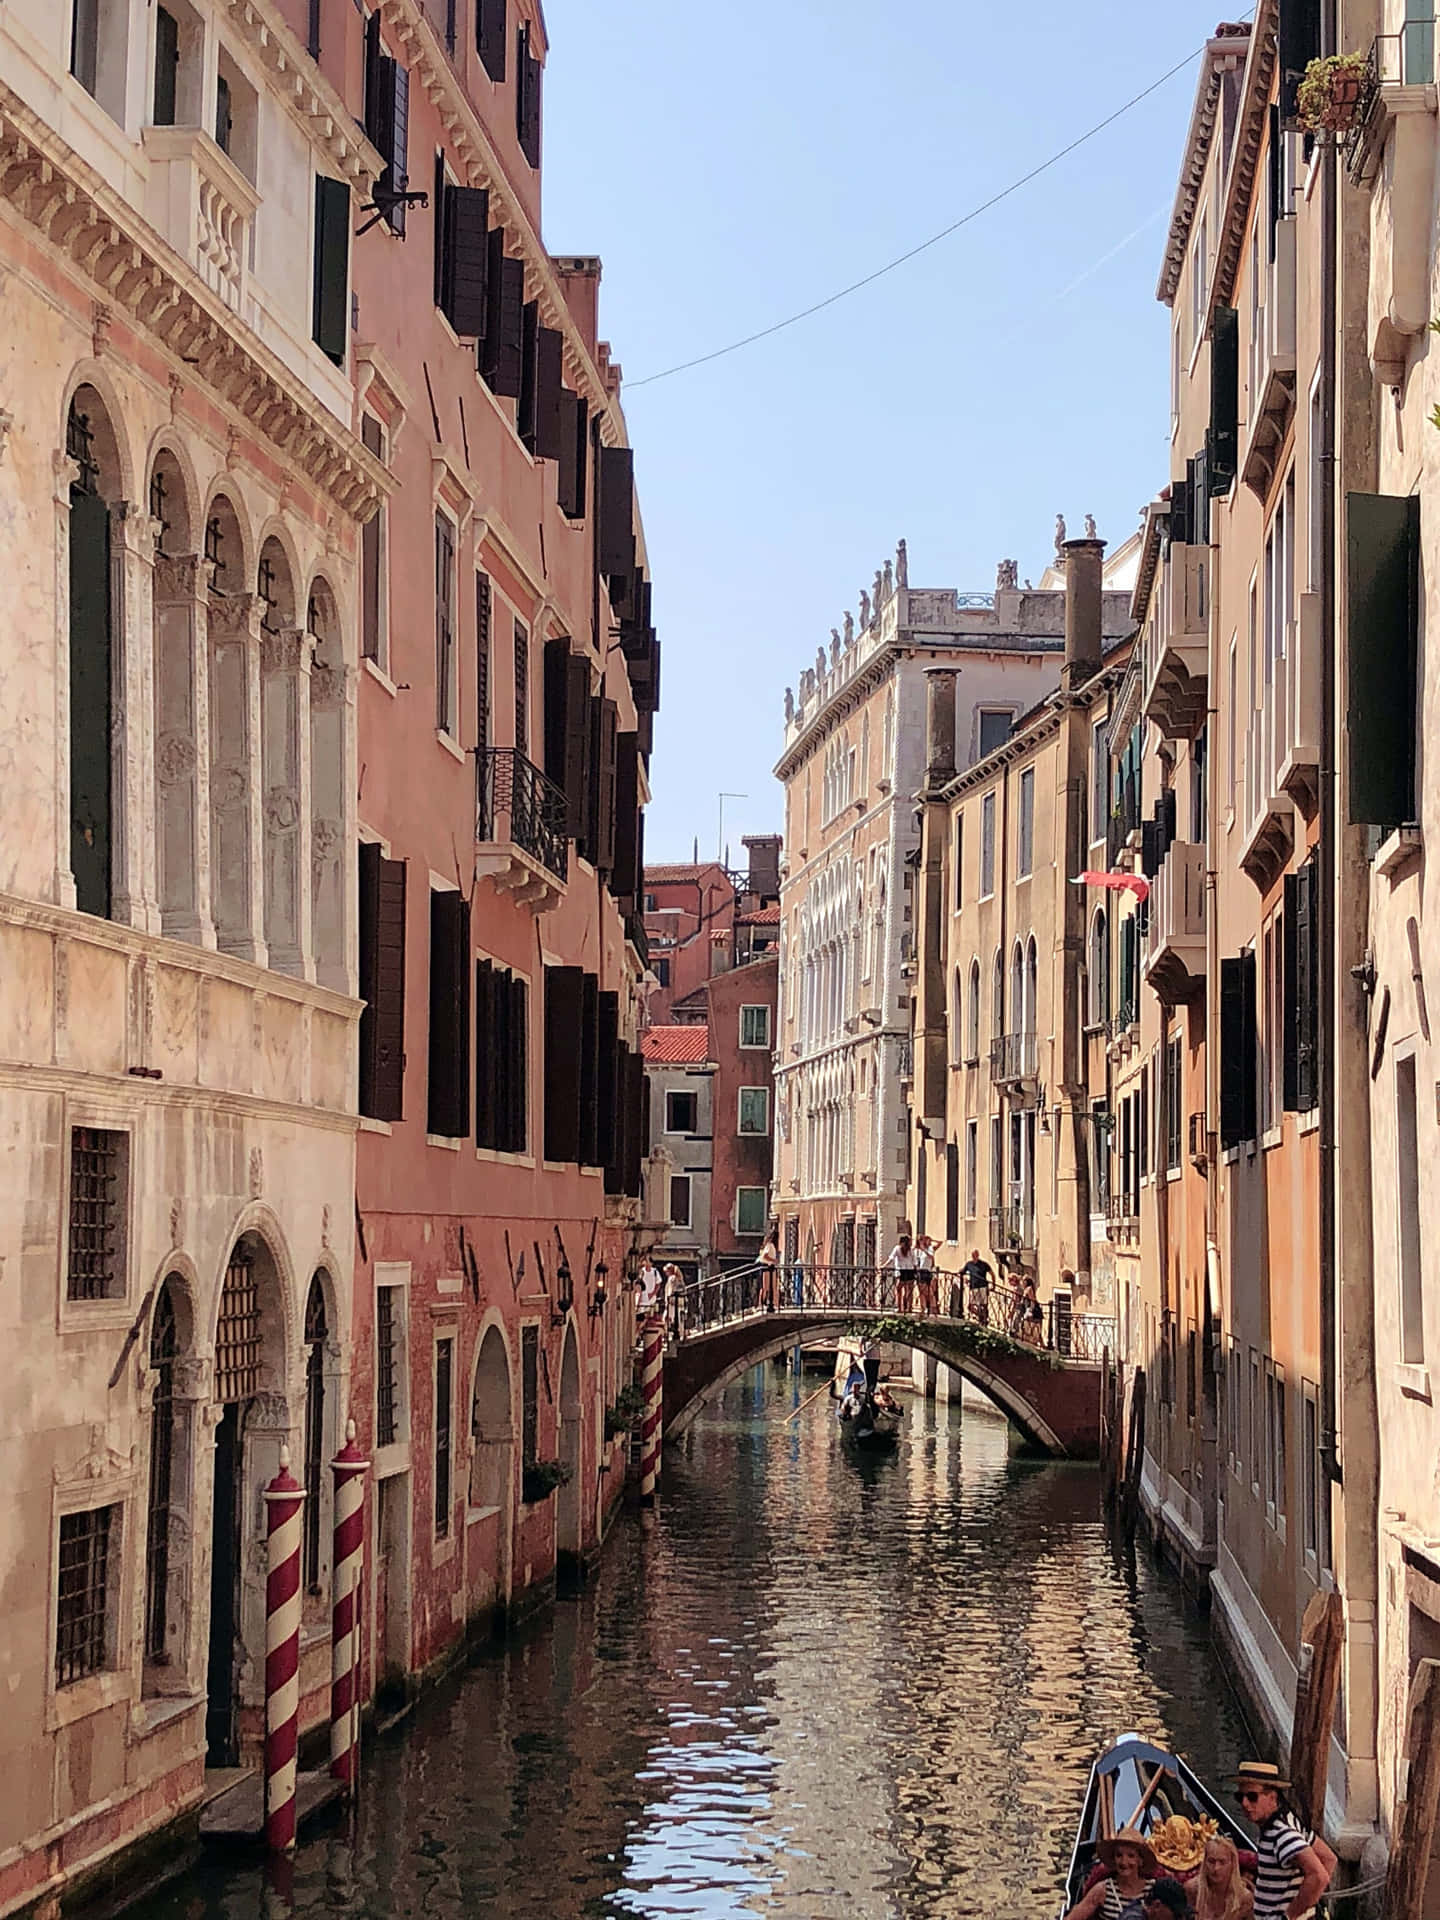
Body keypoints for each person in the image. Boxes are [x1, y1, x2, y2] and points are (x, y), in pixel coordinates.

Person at [1234, 1762, 1334, 1920]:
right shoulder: (1290, 1821)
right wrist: (1309, 1904)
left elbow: (1319, 1876)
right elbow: (1329, 1858)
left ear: (1272, 1798)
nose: (1245, 1803)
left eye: (1252, 1797)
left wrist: (1291, 1915)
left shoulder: (1281, 1834)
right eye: (1240, 1797)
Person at [1064, 1829, 1158, 1920]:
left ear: (1140, 1861)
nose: (1124, 1862)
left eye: (1131, 1856)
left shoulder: (1154, 1889)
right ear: (1114, 1859)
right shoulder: (1103, 1890)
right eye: (1119, 1855)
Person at [1192, 1836, 1253, 1920]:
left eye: (1222, 1862)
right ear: (1204, 1862)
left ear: (1232, 1864)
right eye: (1211, 1861)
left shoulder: (1245, 1899)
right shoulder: (1192, 1890)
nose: (1216, 1868)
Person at [960, 1247, 993, 1325]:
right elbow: (962, 1272)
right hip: (973, 1287)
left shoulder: (984, 1264)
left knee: (983, 1305)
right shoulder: (969, 1264)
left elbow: (992, 1274)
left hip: (983, 1286)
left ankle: (984, 1320)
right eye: (973, 1255)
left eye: (975, 1254)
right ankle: (980, 1316)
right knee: (971, 1306)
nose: (974, 1256)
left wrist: (993, 1285)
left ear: (978, 1255)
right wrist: (965, 1279)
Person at [885, 1233, 917, 1312]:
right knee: (909, 1290)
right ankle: (909, 1308)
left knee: (899, 1289)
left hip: (901, 1271)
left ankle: (900, 1307)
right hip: (910, 1270)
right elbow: (914, 1262)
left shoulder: (897, 1248)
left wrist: (884, 1265)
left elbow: (891, 1258)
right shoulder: (911, 1250)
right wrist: (916, 1271)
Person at [914, 1235, 938, 1315]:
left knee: (929, 1291)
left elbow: (931, 1256)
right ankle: (923, 1308)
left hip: (927, 1271)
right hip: (920, 1271)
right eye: (919, 1240)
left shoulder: (929, 1248)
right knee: (921, 1291)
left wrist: (924, 1249)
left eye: (922, 1239)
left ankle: (933, 1308)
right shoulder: (917, 1251)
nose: (921, 1241)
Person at [758, 1229, 779, 1312]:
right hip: (767, 1267)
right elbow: (765, 1256)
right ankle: (761, 1304)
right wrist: (774, 1260)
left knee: (771, 1287)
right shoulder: (769, 1245)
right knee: (766, 1287)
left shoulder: (769, 1245)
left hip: (769, 1267)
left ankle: (774, 1304)